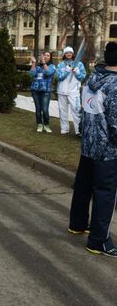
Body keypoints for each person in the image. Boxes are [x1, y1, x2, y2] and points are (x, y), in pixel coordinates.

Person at [68, 42, 117, 258]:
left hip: (88, 145)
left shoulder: (91, 79)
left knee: (83, 186)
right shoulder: (115, 85)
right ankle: (99, 241)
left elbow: (83, 110)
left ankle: (77, 224)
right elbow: (115, 122)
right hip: (107, 149)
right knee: (105, 193)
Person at [56, 46, 86, 136]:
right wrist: (66, 71)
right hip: (62, 91)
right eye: (67, 53)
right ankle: (64, 128)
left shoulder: (79, 64)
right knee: (62, 111)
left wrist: (77, 72)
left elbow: (82, 77)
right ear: (64, 54)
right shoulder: (60, 65)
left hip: (74, 92)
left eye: (70, 53)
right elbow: (59, 77)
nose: (69, 54)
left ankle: (79, 130)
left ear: (73, 54)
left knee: (76, 111)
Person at [29, 51, 56, 133]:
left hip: (46, 91)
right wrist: (33, 63)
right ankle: (39, 124)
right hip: (35, 90)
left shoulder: (52, 66)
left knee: (44, 109)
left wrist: (44, 63)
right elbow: (31, 74)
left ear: (50, 58)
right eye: (45, 55)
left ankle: (46, 125)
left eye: (48, 56)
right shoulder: (37, 66)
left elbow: (48, 73)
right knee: (38, 109)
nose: (46, 57)